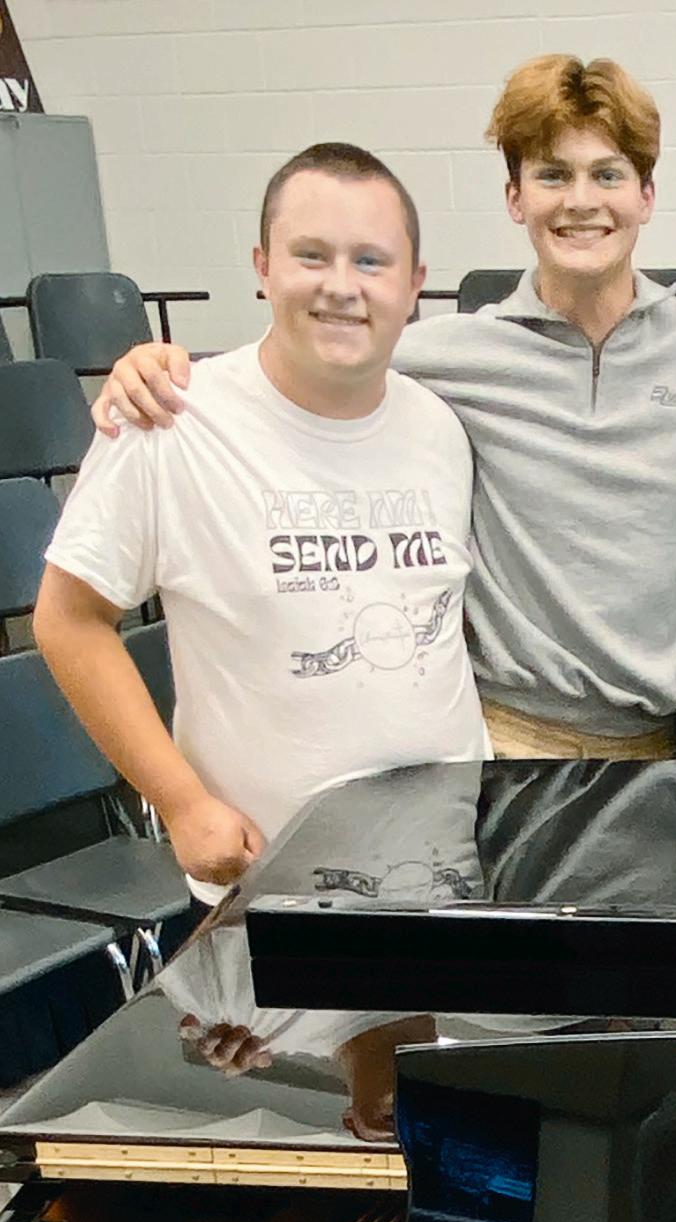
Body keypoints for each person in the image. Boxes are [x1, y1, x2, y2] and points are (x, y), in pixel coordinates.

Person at [87, 55, 676, 763]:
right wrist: (168, 366)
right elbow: (319, 349)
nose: (581, 201)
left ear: (646, 195)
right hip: (508, 739)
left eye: (608, 174)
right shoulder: (449, 356)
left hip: (665, 745)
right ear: (515, 197)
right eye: (553, 175)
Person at [34, 143, 488, 905]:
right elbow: (69, 620)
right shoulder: (169, 421)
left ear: (414, 284)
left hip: (447, 874)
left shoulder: (441, 429)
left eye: (370, 261)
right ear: (263, 266)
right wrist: (181, 802)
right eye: (312, 255)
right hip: (269, 885)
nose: (341, 285)